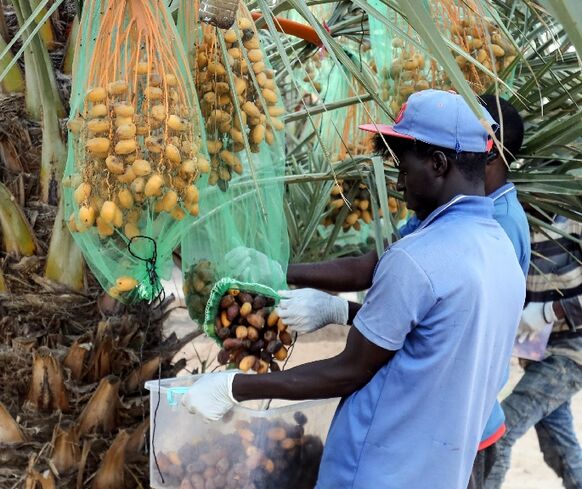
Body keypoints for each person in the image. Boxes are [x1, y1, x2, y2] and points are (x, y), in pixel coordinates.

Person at [182, 89, 526, 489]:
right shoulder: (500, 247)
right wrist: (284, 272)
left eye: (403, 167)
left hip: (375, 471)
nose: (397, 183)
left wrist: (233, 387)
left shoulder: (418, 259)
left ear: (438, 163)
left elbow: (347, 371)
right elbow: (430, 333)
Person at [485, 215, 582, 489]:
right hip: (538, 353)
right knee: (560, 448)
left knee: (499, 435)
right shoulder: (519, 222)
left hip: (572, 352)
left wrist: (549, 311)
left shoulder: (574, 219)